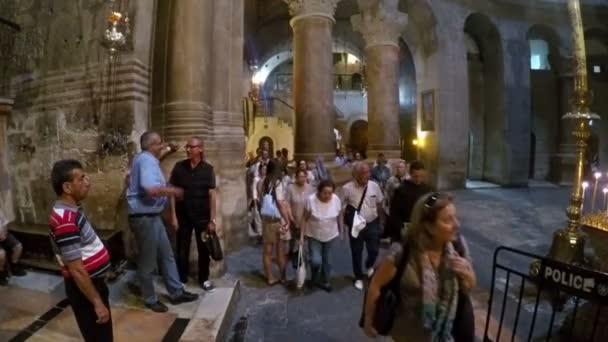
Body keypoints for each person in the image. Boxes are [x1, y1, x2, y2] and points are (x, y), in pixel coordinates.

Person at [363, 192, 476, 342]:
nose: (457, 224)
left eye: (455, 217)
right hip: (408, 335)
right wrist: (368, 321)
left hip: (446, 334)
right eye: (448, 220)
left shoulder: (458, 248)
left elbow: (468, 287)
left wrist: (468, 277)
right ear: (428, 227)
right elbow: (375, 285)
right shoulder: (403, 252)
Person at [126, 131, 198, 312]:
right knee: (148, 261)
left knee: (167, 255)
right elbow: (150, 189)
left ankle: (176, 292)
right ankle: (150, 299)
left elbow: (158, 156)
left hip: (152, 216)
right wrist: (173, 191)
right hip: (144, 218)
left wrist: (169, 150)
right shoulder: (146, 161)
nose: (162, 145)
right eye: (159, 143)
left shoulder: (146, 158)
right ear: (151, 146)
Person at [48, 159, 113, 341]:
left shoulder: (72, 209)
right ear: (67, 187)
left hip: (92, 284)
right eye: (82, 178)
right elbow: (76, 269)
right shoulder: (65, 219)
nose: (87, 181)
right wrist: (97, 302)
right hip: (85, 289)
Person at [169, 136, 217, 292]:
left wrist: (212, 219)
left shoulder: (208, 169)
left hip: (202, 217)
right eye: (187, 146)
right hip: (183, 216)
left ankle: (204, 279)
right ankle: (182, 279)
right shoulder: (179, 167)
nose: (188, 149)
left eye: (192, 146)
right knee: (182, 249)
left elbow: (212, 196)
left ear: (200, 149)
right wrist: (173, 216)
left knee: (204, 249)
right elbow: (171, 192)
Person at [341, 162, 384, 290]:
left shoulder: (374, 186)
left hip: (372, 222)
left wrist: (382, 221)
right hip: (356, 225)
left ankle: (369, 264)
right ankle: (358, 277)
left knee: (374, 249)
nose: (367, 175)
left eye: (368, 172)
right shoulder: (347, 188)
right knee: (356, 251)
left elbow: (379, 203)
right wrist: (343, 224)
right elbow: (342, 207)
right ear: (356, 175)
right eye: (364, 173)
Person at [301, 180, 342, 292]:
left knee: (327, 259)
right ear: (319, 191)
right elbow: (304, 218)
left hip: (330, 234)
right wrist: (301, 236)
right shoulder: (311, 200)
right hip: (314, 235)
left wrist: (341, 230)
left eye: (330, 193)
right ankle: (314, 277)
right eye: (325, 193)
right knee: (316, 260)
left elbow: (339, 215)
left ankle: (326, 280)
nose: (327, 196)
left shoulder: (335, 199)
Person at [258, 160, 291, 285]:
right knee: (280, 250)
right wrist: (287, 219)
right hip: (276, 219)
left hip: (266, 219)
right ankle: (283, 277)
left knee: (267, 251)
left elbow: (262, 199)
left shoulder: (262, 182)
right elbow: (280, 203)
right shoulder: (277, 183)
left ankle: (270, 277)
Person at [386, 161, 433, 242]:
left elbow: (431, 207)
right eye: (416, 176)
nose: (418, 179)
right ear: (410, 174)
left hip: (422, 229)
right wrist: (401, 226)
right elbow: (394, 212)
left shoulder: (427, 189)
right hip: (406, 229)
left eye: (421, 176)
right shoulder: (401, 190)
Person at [287, 170, 315, 267]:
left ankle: (306, 257)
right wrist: (291, 218)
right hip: (294, 217)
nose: (302, 179)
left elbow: (313, 204)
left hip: (307, 218)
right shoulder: (290, 188)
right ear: (296, 177)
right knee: (294, 238)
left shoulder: (310, 188)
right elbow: (287, 204)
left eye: (303, 177)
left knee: (306, 239)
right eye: (300, 177)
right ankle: (294, 255)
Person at [0, 212, 26, 285]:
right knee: (1, 254)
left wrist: (4, 233)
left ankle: (14, 267)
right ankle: (1, 273)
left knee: (18, 246)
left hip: (4, 235)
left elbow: (5, 224)